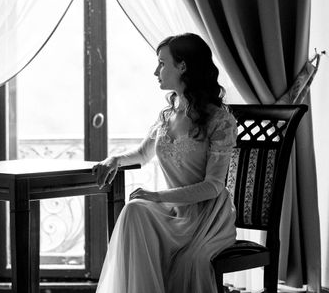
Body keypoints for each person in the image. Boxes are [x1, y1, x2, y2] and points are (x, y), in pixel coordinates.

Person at [92, 33, 238, 293]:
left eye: (162, 63)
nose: (155, 71)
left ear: (182, 66)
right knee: (134, 209)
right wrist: (113, 159)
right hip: (174, 213)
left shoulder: (220, 121)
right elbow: (141, 154)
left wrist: (156, 196)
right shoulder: (167, 117)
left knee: (189, 261)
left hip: (207, 217)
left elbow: (214, 186)